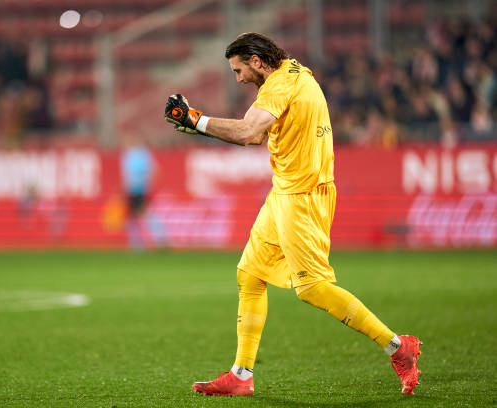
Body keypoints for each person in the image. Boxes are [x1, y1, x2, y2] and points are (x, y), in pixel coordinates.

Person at [164, 32, 422, 396]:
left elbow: (248, 131)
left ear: (256, 61)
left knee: (312, 288)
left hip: (303, 195)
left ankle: (398, 347)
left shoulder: (280, 85)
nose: (238, 78)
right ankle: (241, 374)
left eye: (239, 70)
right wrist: (198, 124)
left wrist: (194, 119)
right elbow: (257, 135)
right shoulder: (294, 73)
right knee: (250, 274)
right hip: (286, 190)